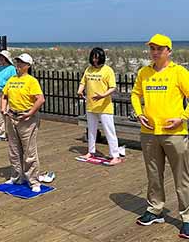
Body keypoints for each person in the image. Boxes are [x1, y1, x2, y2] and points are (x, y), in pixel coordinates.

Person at [130, 34, 189, 238]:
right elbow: (135, 95)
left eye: (160, 49)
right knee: (153, 175)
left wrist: (182, 118)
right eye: (152, 48)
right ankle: (155, 209)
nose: (155, 52)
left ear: (169, 51)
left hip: (174, 134)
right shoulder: (144, 73)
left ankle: (187, 217)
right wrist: (139, 114)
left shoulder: (179, 72)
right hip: (149, 134)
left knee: (182, 177)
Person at [0, 53, 46, 193]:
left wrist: (30, 113)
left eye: (21, 63)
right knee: (14, 150)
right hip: (12, 116)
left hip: (26, 118)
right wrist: (3, 108)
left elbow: (40, 99)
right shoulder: (12, 79)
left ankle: (33, 180)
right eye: (17, 62)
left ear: (28, 66)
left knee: (29, 151)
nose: (18, 65)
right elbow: (4, 95)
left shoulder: (31, 81)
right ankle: (17, 176)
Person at [77, 47, 121, 165]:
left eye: (97, 57)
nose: (95, 60)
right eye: (93, 57)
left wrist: (103, 95)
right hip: (91, 106)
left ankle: (115, 155)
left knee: (109, 131)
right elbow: (83, 82)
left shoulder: (108, 70)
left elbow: (112, 87)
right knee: (91, 131)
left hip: (104, 107)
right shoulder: (89, 69)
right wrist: (80, 90)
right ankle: (91, 151)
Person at [0, 50, 17, 141]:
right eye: (0, 57)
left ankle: (10, 133)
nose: (0, 59)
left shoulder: (12, 68)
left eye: (2, 57)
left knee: (8, 113)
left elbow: (14, 80)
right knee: (0, 113)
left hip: (8, 93)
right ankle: (2, 133)